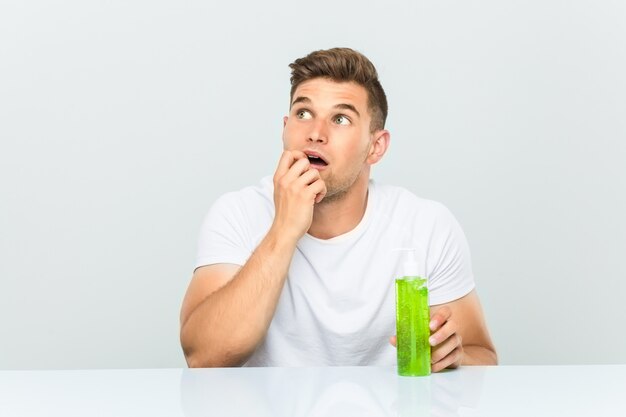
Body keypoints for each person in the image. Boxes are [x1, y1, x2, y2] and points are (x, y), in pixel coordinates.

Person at [180, 47, 497, 371]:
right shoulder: (237, 214)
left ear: (376, 147)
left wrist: (452, 357)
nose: (315, 133)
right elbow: (204, 356)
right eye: (303, 114)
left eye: (341, 119)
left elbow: (482, 357)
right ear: (285, 128)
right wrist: (284, 230)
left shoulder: (427, 226)